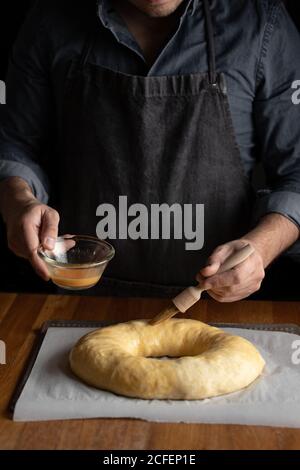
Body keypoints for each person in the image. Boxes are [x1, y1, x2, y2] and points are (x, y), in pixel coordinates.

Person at [0, 0, 300, 300]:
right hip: (82, 298)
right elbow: (15, 146)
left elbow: (296, 175)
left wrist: (260, 249)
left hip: (217, 303)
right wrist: (18, 202)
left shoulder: (261, 24)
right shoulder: (50, 22)